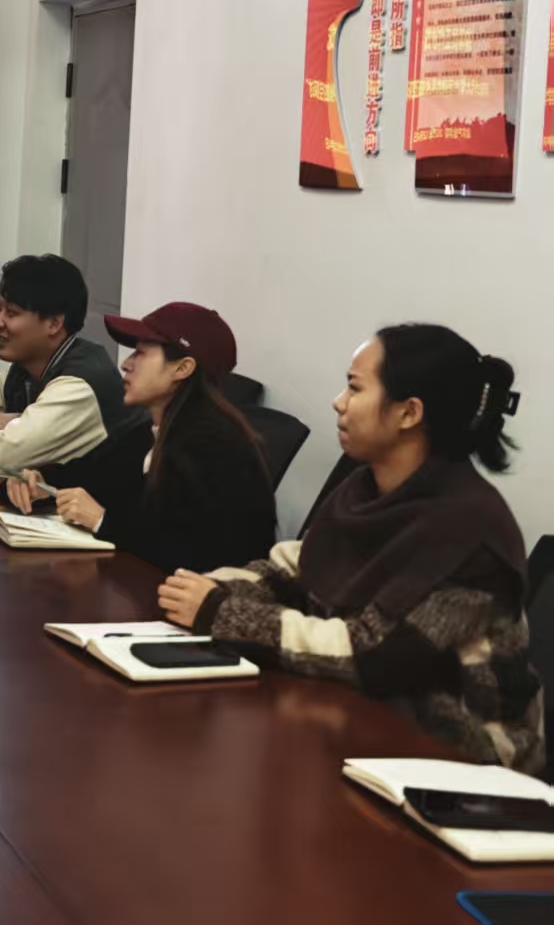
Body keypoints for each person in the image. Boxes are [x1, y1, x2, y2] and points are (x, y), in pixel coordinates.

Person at [159, 324, 543, 773]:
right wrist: (205, 588)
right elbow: (292, 568)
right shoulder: (367, 487)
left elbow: (371, 654)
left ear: (408, 412)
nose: (339, 402)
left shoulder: (469, 532)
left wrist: (219, 611)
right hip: (364, 720)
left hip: (465, 761)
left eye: (355, 388)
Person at [6, 303, 277, 573]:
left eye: (141, 354)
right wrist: (36, 482)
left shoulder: (214, 447)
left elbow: (199, 555)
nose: (126, 364)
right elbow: (85, 477)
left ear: (182, 368)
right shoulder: (148, 433)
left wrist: (102, 521)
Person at [0, 254, 152, 496]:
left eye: (11, 313)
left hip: (105, 516)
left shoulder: (79, 385)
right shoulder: (24, 370)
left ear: (54, 324)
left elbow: (0, 459)